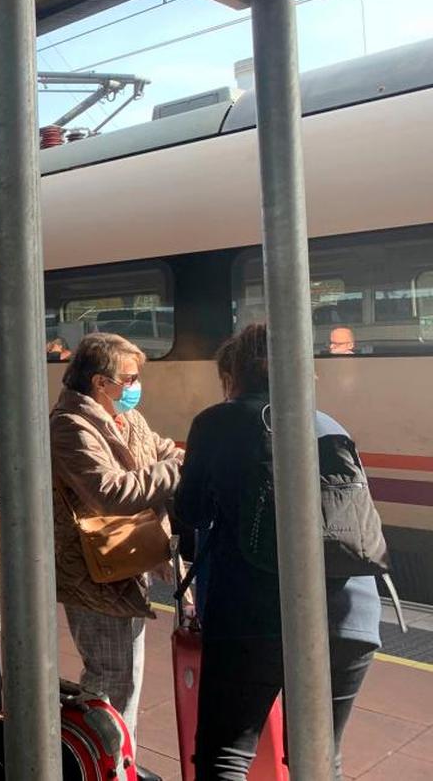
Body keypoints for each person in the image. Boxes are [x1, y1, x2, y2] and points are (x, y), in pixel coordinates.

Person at [176, 324, 380, 781]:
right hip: (351, 615)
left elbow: (189, 512)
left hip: (256, 614)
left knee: (225, 753)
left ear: (234, 374)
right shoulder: (328, 424)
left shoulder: (217, 422)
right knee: (319, 756)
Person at [50, 332, 182, 781]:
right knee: (108, 677)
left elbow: (160, 450)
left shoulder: (126, 418)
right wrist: (178, 469)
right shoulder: (69, 425)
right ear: (100, 381)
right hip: (93, 571)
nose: (135, 385)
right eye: (129, 378)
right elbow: (108, 492)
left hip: (127, 561)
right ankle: (101, 765)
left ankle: (119, 761)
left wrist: (187, 453)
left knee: (125, 676)